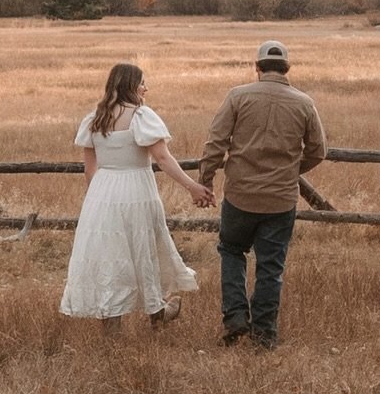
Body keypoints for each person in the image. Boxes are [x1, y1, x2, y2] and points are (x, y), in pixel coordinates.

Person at [60, 62, 215, 325]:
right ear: (131, 85)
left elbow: (90, 169)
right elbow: (163, 159)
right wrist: (193, 187)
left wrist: (96, 201)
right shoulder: (141, 116)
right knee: (144, 249)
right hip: (136, 190)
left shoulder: (95, 118)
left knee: (111, 254)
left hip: (102, 192)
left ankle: (114, 322)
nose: (146, 88)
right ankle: (157, 312)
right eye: (142, 82)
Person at [198, 39, 326, 349]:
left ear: (257, 67)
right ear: (287, 68)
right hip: (280, 200)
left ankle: (236, 317)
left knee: (231, 251)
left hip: (241, 194)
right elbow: (318, 151)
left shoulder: (237, 97)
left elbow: (216, 143)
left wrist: (206, 178)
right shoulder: (304, 103)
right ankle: (265, 334)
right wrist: (291, 170)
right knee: (271, 266)